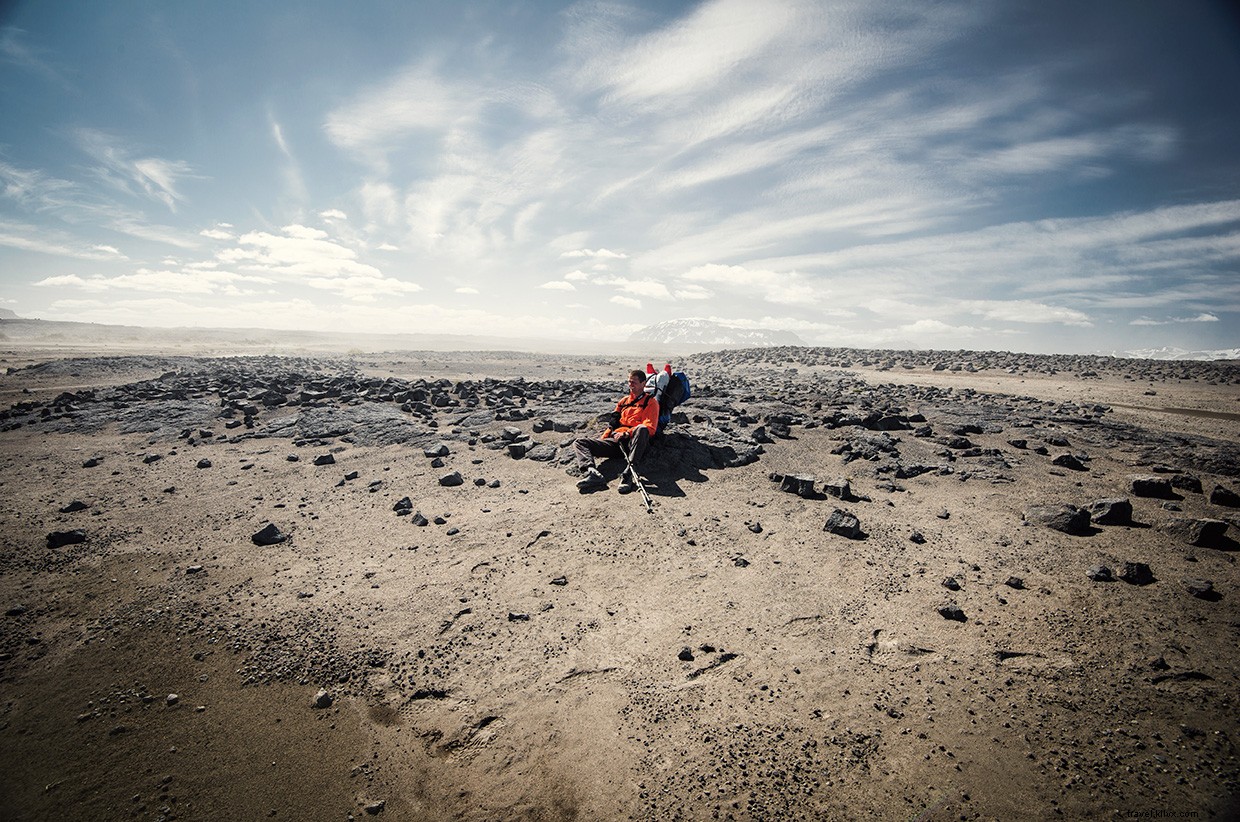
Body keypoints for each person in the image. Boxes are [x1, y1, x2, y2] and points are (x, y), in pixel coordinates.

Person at [575, 369, 660, 492]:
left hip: (635, 443)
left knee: (642, 429)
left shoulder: (651, 403)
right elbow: (613, 423)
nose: (631, 385)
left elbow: (650, 428)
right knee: (580, 442)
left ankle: (628, 473)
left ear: (643, 383)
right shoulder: (623, 402)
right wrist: (602, 441)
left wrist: (626, 434)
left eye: (634, 382)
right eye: (629, 382)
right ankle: (592, 473)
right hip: (616, 442)